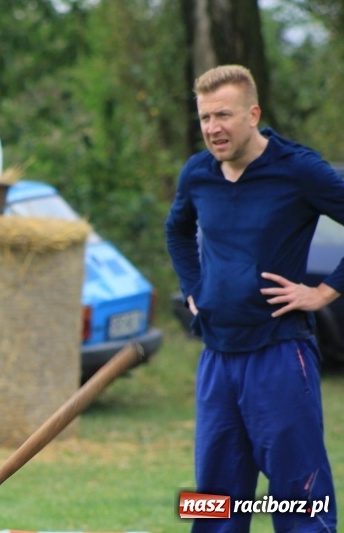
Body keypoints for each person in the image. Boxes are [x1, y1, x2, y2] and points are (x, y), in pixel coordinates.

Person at [165, 64, 342, 532]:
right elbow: (177, 231)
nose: (212, 128)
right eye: (205, 117)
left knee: (299, 497)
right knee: (214, 501)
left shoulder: (298, 169)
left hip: (279, 353)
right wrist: (194, 288)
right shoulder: (198, 173)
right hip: (217, 356)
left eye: (223, 115)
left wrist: (323, 292)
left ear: (253, 114)